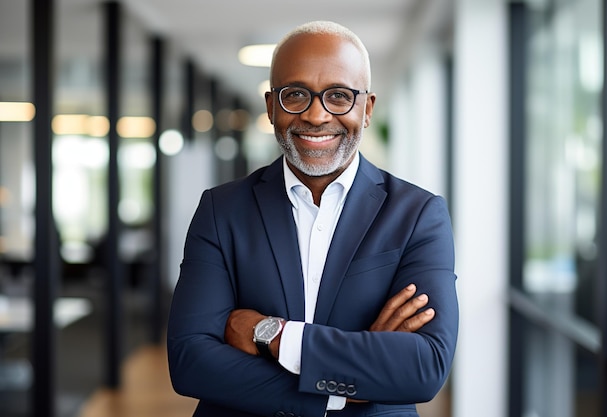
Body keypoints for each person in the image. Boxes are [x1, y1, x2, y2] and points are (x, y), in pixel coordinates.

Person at [167, 20, 459, 417]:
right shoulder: (222, 210)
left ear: (367, 108)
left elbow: (424, 366)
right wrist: (344, 385)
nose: (317, 116)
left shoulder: (418, 214)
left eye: (338, 96)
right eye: (295, 95)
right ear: (272, 107)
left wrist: (271, 334)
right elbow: (191, 362)